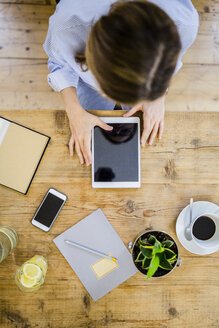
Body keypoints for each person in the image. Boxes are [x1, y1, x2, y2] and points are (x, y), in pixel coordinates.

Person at [43, 0, 199, 166]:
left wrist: (157, 96)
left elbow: (171, 62)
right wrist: (74, 110)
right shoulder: (68, 22)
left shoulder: (184, 24)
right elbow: (59, 62)